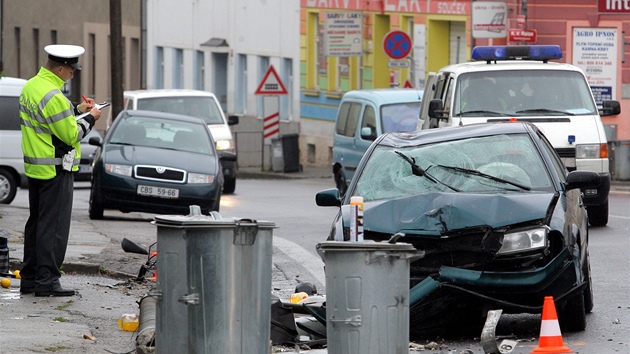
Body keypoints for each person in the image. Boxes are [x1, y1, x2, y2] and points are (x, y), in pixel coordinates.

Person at [18, 44, 102, 297]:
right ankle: (48, 282)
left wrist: (76, 110)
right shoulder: (54, 95)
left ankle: (30, 279)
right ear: (61, 68)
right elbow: (70, 133)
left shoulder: (32, 85)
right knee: (53, 228)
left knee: (36, 224)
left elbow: (47, 119)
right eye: (72, 70)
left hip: (36, 167)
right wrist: (92, 118)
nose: (73, 74)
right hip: (56, 168)